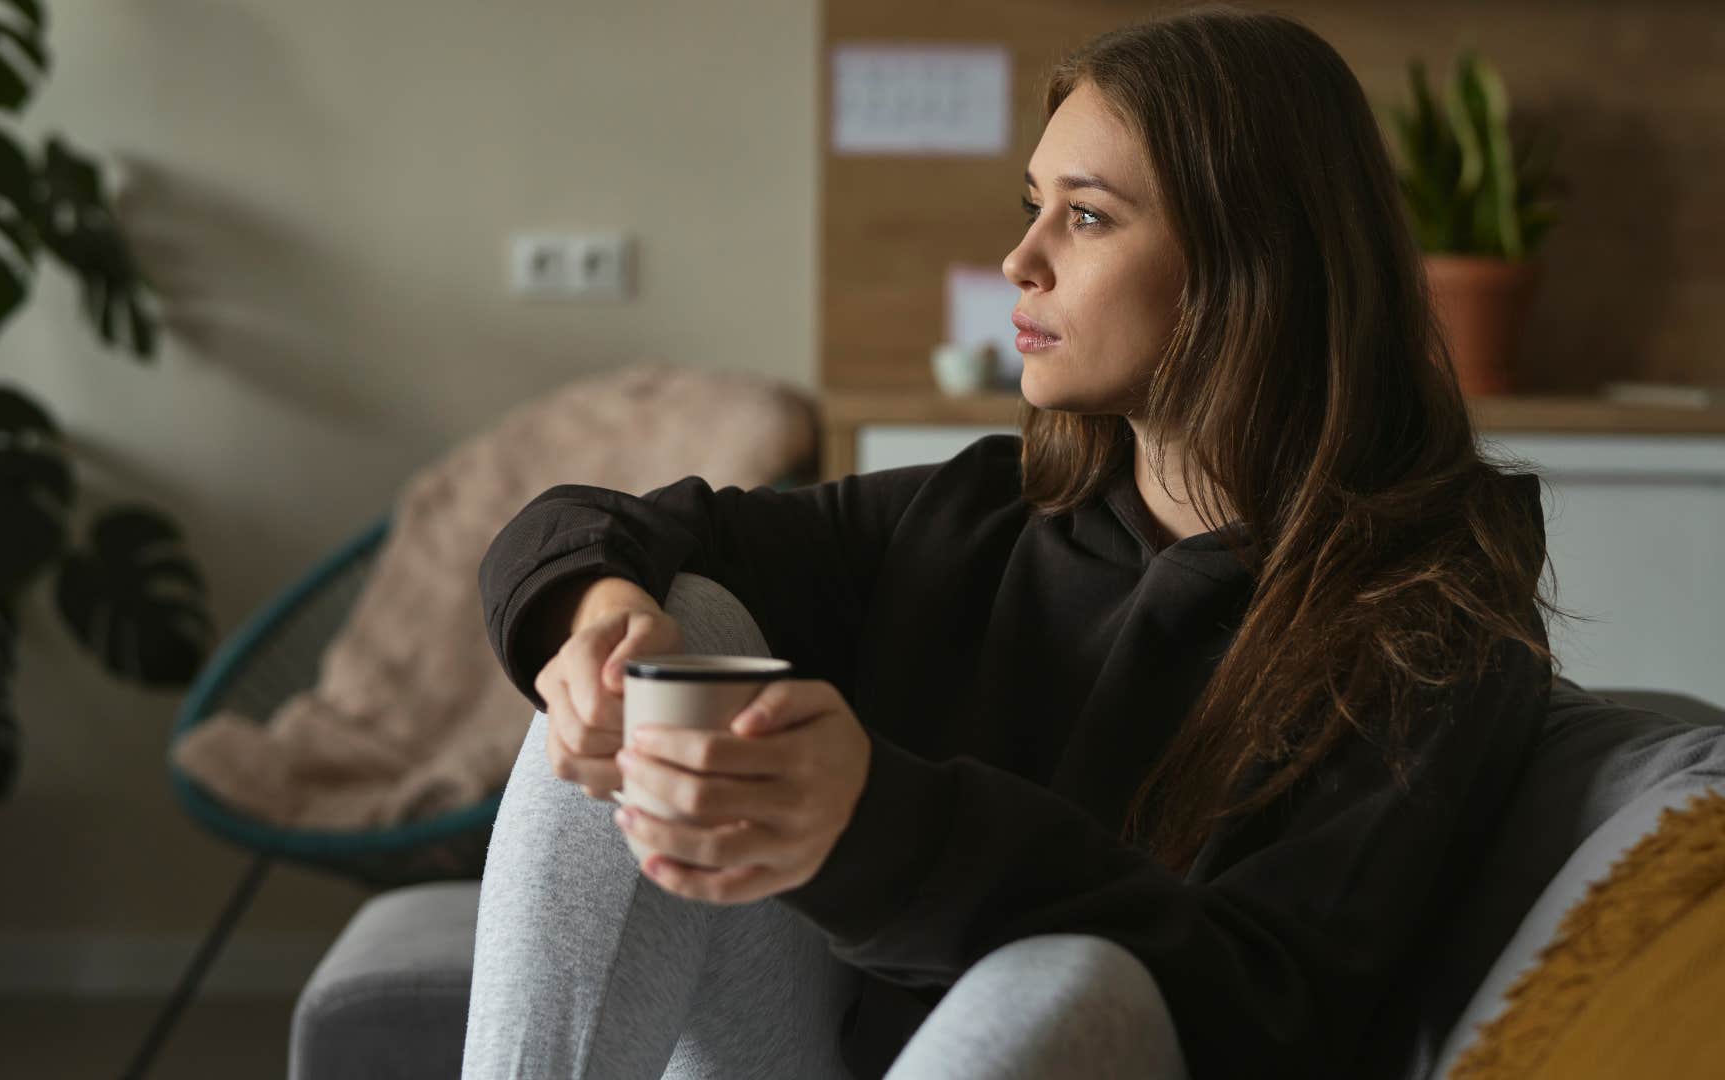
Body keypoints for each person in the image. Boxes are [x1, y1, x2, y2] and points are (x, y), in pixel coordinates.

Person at [465, 4, 1558, 1078]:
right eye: (1034, 206)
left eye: (1085, 216)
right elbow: (578, 524)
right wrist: (602, 623)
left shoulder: (1430, 616)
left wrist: (872, 824)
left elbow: (1272, 1006)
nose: (1018, 261)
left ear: (1250, 257)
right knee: (662, 637)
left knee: (1076, 981)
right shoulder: (979, 516)